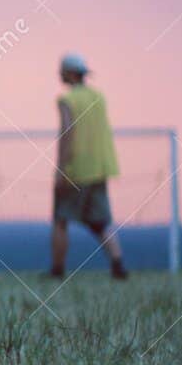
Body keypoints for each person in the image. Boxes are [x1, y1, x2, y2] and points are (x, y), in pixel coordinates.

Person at [51, 53, 127, 280]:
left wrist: (61, 169)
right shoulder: (99, 97)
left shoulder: (67, 100)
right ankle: (118, 264)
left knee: (61, 219)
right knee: (100, 221)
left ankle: (57, 269)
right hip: (100, 168)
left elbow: (67, 133)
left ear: (70, 73)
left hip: (76, 170)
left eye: (62, 70)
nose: (60, 74)